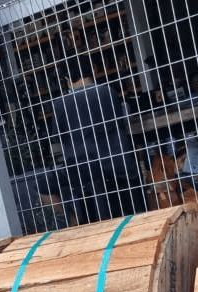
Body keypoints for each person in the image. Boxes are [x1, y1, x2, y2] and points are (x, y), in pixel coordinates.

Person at [52, 54, 146, 224]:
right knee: (134, 218)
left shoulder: (60, 103)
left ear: (66, 78)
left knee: (96, 223)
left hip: (86, 175)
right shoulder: (107, 91)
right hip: (120, 166)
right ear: (93, 70)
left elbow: (57, 138)